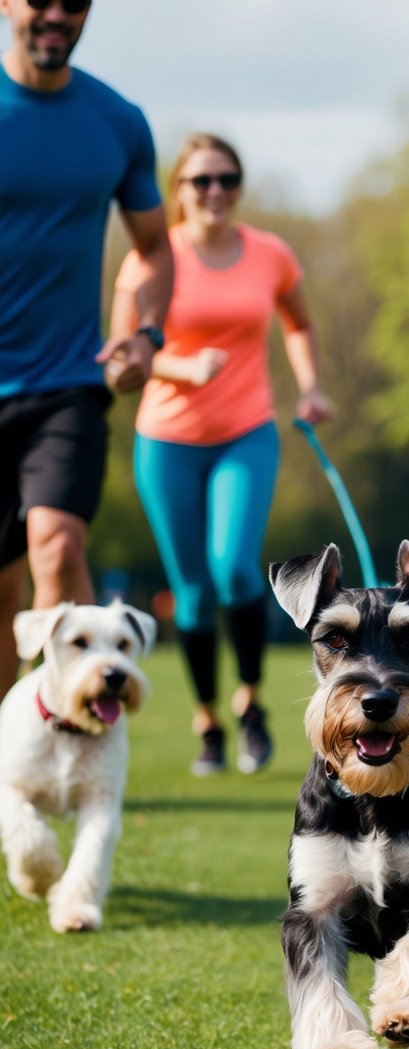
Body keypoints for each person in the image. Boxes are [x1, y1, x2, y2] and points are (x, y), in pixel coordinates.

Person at [110, 132, 334, 776]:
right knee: (189, 593)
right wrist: (178, 364)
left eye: (227, 179)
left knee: (235, 568)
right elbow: (121, 352)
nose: (215, 192)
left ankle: (251, 706)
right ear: (176, 190)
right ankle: (207, 719)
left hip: (246, 433)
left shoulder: (268, 254)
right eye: (200, 180)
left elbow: (300, 321)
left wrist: (312, 385)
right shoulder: (153, 258)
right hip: (167, 441)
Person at [0, 0, 173, 700]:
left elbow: (156, 246)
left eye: (72, 2)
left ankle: (76, 735)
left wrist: (146, 335)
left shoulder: (117, 120)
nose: (55, 15)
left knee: (59, 545)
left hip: (68, 381)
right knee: (3, 585)